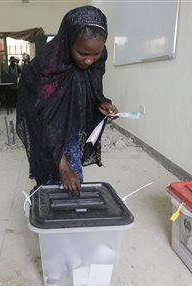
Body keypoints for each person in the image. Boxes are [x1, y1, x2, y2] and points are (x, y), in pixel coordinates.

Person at [16, 6, 117, 196]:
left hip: (69, 119)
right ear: (68, 41)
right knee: (53, 174)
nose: (89, 60)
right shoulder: (48, 66)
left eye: (95, 54)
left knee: (72, 173)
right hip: (42, 117)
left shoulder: (96, 53)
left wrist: (100, 101)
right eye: (83, 54)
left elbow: (93, 80)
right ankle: (46, 198)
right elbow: (43, 121)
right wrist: (64, 168)